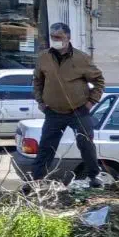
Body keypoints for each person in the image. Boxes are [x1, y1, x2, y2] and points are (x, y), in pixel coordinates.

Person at [28, 23, 108, 189]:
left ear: (68, 38)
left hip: (78, 110)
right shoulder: (44, 57)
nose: (55, 41)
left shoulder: (81, 58)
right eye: (53, 37)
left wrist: (91, 102)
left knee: (86, 144)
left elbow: (99, 80)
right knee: (46, 147)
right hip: (53, 112)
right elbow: (37, 81)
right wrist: (41, 102)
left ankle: (94, 176)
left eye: (59, 37)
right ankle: (35, 181)